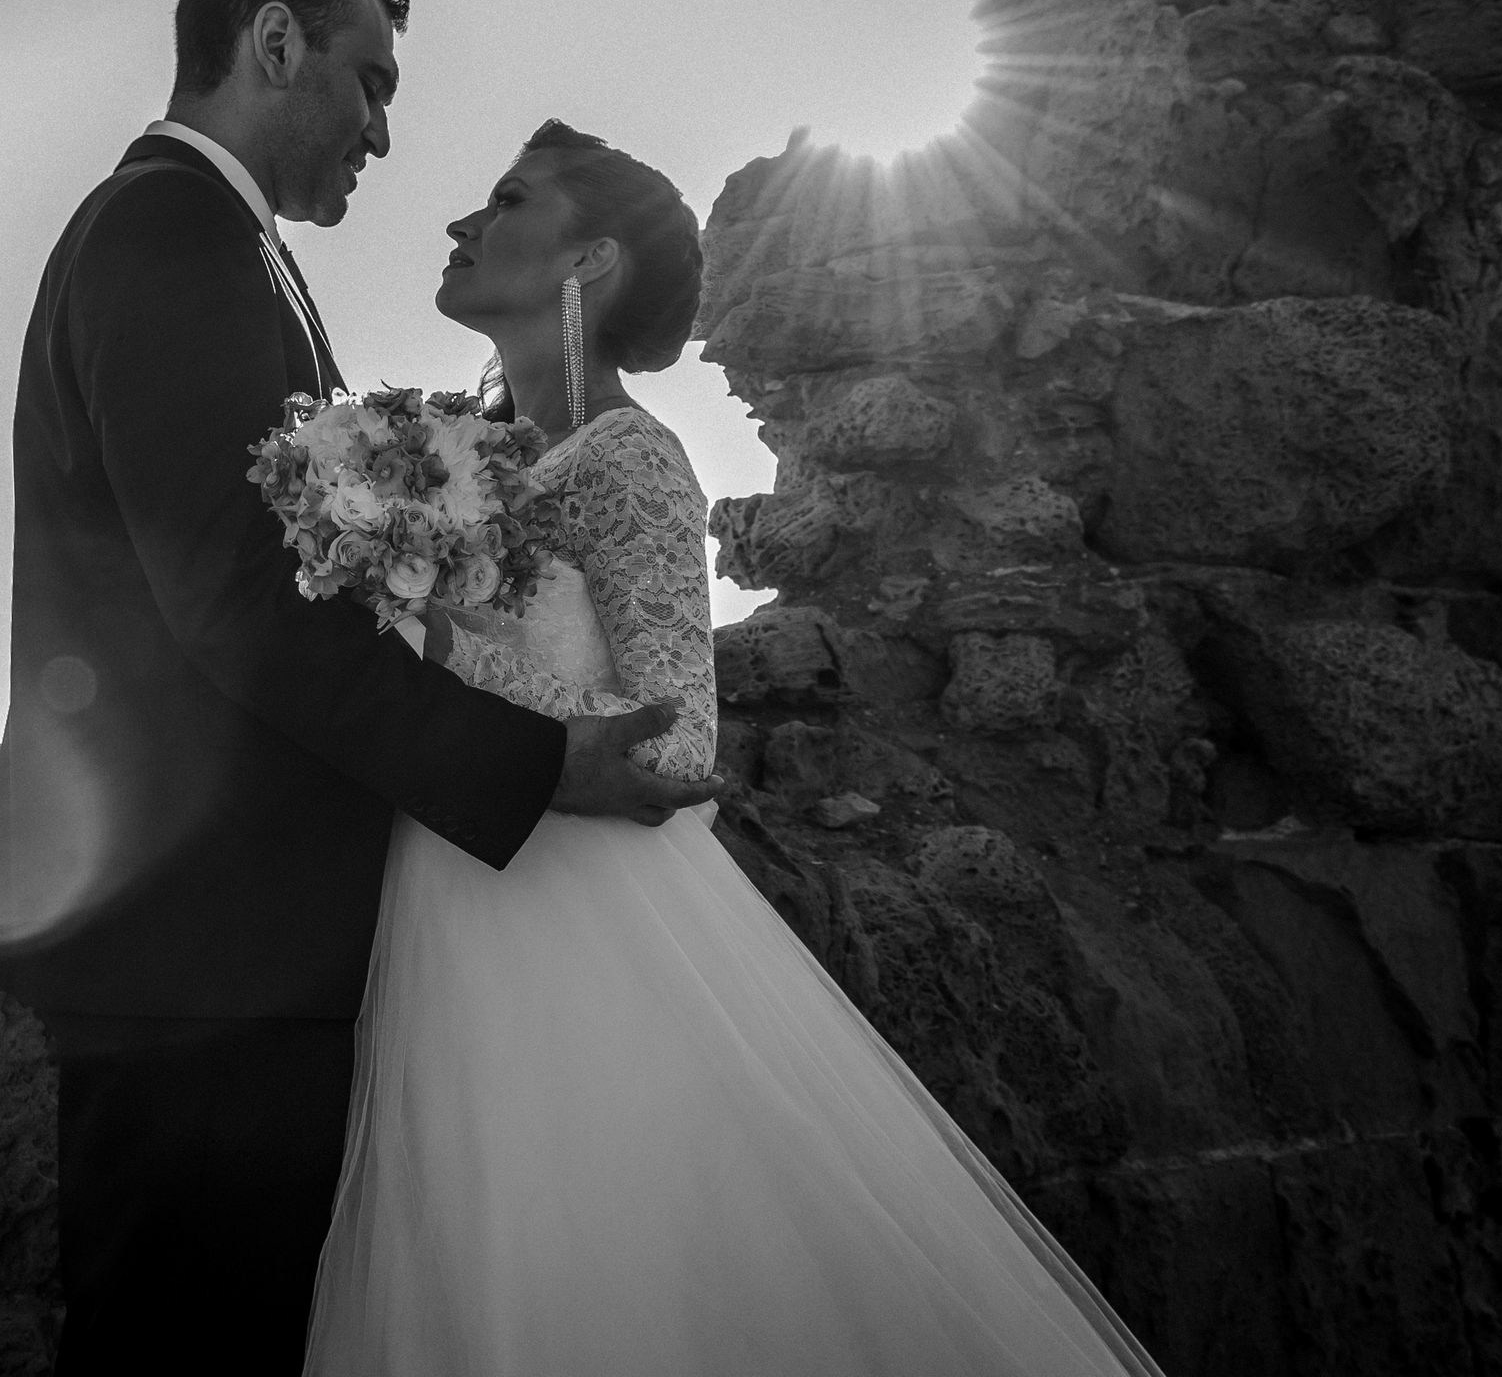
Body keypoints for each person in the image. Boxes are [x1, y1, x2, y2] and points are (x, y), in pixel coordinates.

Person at [0, 0, 714, 1374]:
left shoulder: (231, 251)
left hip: (234, 950)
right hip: (197, 952)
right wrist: (535, 763)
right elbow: (241, 603)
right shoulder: (169, 233)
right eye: (368, 80)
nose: (382, 129)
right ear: (274, 43)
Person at [301, 122, 1168, 1377]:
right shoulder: (463, 461)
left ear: (589, 258)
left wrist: (433, 645)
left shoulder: (633, 458)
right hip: (439, 891)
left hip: (571, 927)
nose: (458, 224)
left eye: (503, 200)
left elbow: (680, 742)